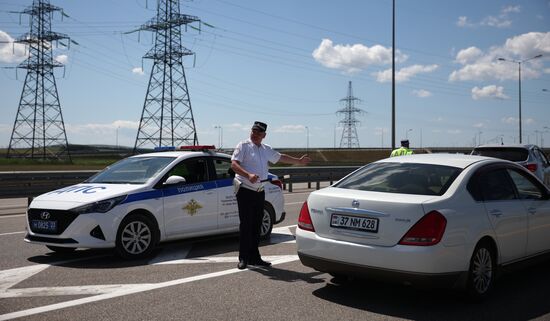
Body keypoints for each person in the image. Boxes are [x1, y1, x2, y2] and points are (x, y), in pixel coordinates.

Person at [231, 121, 311, 269]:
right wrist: (248, 175)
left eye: (258, 133)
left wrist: (298, 161)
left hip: (259, 191)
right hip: (245, 190)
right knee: (246, 225)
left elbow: (281, 157)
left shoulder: (265, 149)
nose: (255, 135)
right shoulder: (243, 146)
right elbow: (234, 164)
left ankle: (255, 257)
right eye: (253, 131)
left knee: (257, 225)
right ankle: (243, 258)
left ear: (264, 135)